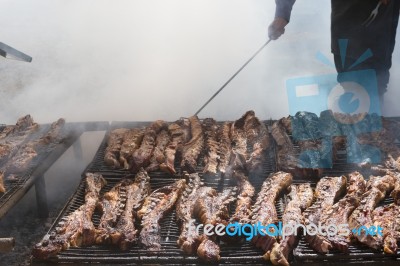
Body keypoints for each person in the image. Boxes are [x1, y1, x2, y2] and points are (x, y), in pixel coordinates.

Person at [268, 0, 400, 101]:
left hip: (377, 13)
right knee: (350, 80)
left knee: (374, 82)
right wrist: (282, 13)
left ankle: (377, 123)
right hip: (345, 17)